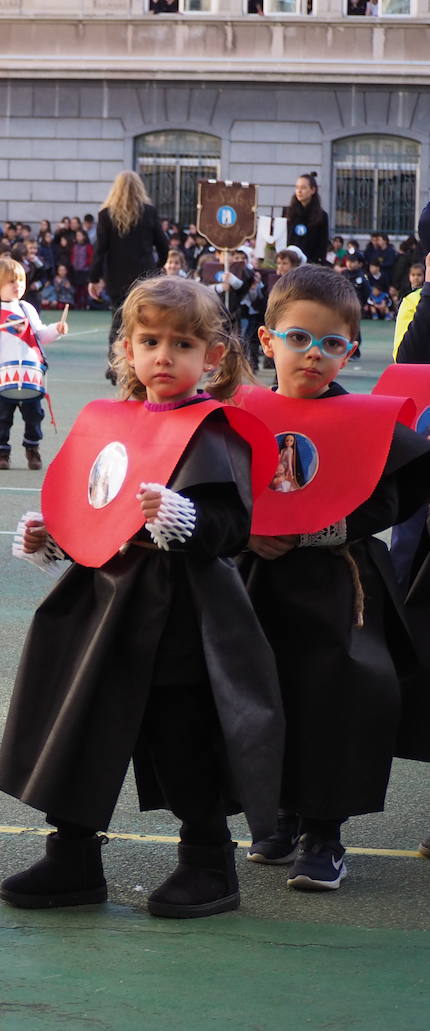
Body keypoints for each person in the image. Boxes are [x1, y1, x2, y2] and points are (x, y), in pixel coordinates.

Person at [0, 274, 284, 920]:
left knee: (180, 736)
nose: (162, 355)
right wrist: (51, 537)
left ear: (212, 356)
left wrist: (184, 517)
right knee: (79, 723)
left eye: (181, 344)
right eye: (148, 340)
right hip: (103, 603)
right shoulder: (110, 421)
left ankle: (208, 859)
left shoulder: (216, 429)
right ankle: (72, 854)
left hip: (181, 612)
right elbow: (88, 505)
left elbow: (233, 525)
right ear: (126, 348)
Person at [240, 265, 430, 890]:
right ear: (267, 341)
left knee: (335, 701)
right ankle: (282, 816)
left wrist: (319, 529)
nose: (313, 356)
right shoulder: (239, 411)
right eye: (298, 338)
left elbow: (395, 493)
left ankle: (325, 834)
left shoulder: (364, 423)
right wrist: (249, 531)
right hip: (258, 581)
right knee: (266, 695)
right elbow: (215, 488)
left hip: (338, 587)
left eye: (331, 344)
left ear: (351, 350)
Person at [0, 257, 67, 471]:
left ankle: (32, 448)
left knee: (34, 414)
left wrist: (57, 329)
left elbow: (40, 334)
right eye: (11, 282)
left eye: (21, 281)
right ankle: (1, 453)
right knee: (2, 417)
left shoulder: (27, 309)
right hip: (0, 374)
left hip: (29, 372)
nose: (18, 286)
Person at [87, 171, 170, 380]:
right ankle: (141, 364)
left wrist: (94, 279)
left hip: (116, 277)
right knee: (144, 322)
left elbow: (100, 250)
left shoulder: (106, 215)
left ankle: (114, 365)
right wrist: (158, 267)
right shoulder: (149, 212)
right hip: (144, 277)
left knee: (118, 321)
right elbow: (163, 245)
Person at [285, 172, 329, 268]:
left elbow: (322, 245)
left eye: (303, 188)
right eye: (297, 187)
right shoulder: (288, 212)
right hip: (290, 264)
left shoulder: (322, 216)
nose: (299, 191)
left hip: (310, 265)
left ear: (313, 190)